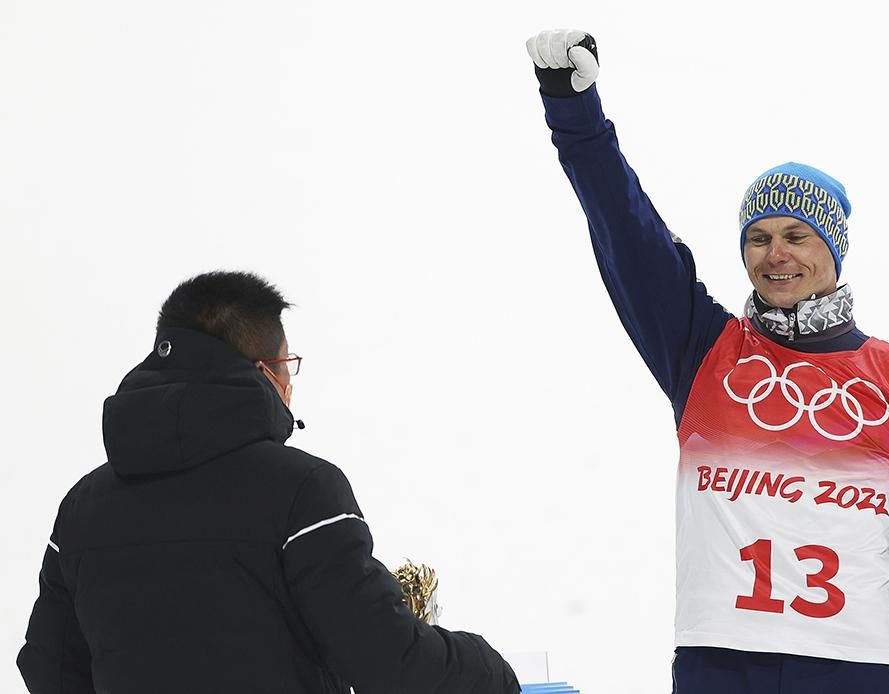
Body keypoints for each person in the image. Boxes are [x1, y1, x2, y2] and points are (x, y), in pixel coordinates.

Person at [525, 29, 889, 694]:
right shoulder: (704, 350)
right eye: (759, 238)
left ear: (833, 250)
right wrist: (575, 113)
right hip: (720, 667)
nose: (776, 254)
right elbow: (626, 230)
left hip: (850, 671)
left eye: (797, 235)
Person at [16, 271, 519, 694]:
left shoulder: (82, 508)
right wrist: (491, 669)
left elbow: (50, 670)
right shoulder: (302, 490)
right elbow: (389, 662)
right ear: (267, 371)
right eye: (289, 368)